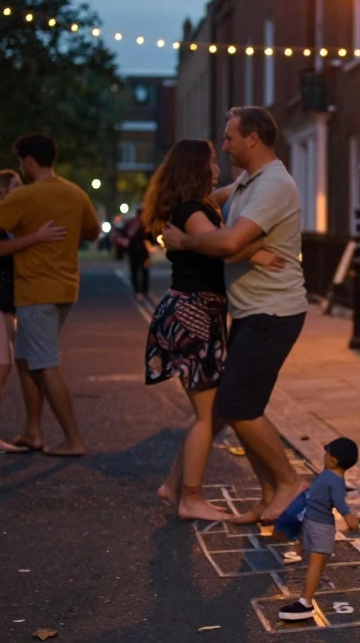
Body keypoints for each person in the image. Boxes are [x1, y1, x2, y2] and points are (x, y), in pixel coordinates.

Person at [162, 106, 309, 524]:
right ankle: (268, 496)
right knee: (238, 403)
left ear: (253, 140)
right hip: (251, 310)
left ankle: (288, 482)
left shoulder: (273, 185)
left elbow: (227, 244)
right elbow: (211, 202)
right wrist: (175, 206)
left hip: (274, 310)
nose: (223, 146)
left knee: (239, 404)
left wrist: (183, 242)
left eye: (228, 138)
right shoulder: (250, 180)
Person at [142, 139, 286, 521]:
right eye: (210, 162)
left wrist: (258, 178)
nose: (217, 169)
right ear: (195, 168)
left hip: (196, 314)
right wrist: (256, 253)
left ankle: (173, 486)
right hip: (193, 316)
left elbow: (230, 191)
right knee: (209, 415)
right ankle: (190, 498)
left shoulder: (197, 205)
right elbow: (220, 246)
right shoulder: (191, 211)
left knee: (216, 410)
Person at [0, 133, 100, 457]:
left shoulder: (26, 196)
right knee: (25, 361)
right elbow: (92, 231)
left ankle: (72, 439)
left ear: (30, 161)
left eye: (21, 161)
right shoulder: (74, 193)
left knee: (46, 364)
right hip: (66, 287)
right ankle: (33, 431)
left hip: (36, 291)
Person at [0, 171, 66, 453]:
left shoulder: (5, 218)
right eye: (17, 187)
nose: (23, 190)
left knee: (6, 364)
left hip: (4, 302)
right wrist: (38, 236)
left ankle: (17, 432)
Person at [278, 437, 360, 621]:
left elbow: (340, 503)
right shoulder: (329, 474)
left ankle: (305, 603)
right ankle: (299, 554)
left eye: (327, 453)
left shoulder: (336, 481)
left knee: (316, 562)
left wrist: (350, 519)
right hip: (310, 520)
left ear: (334, 460)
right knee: (314, 559)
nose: (324, 455)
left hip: (321, 526)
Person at [115, 209, 153, 301]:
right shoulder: (145, 225)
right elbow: (150, 237)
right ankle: (144, 290)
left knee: (134, 271)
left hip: (132, 251)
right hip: (143, 251)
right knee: (144, 271)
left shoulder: (131, 223)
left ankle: (137, 291)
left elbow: (123, 235)